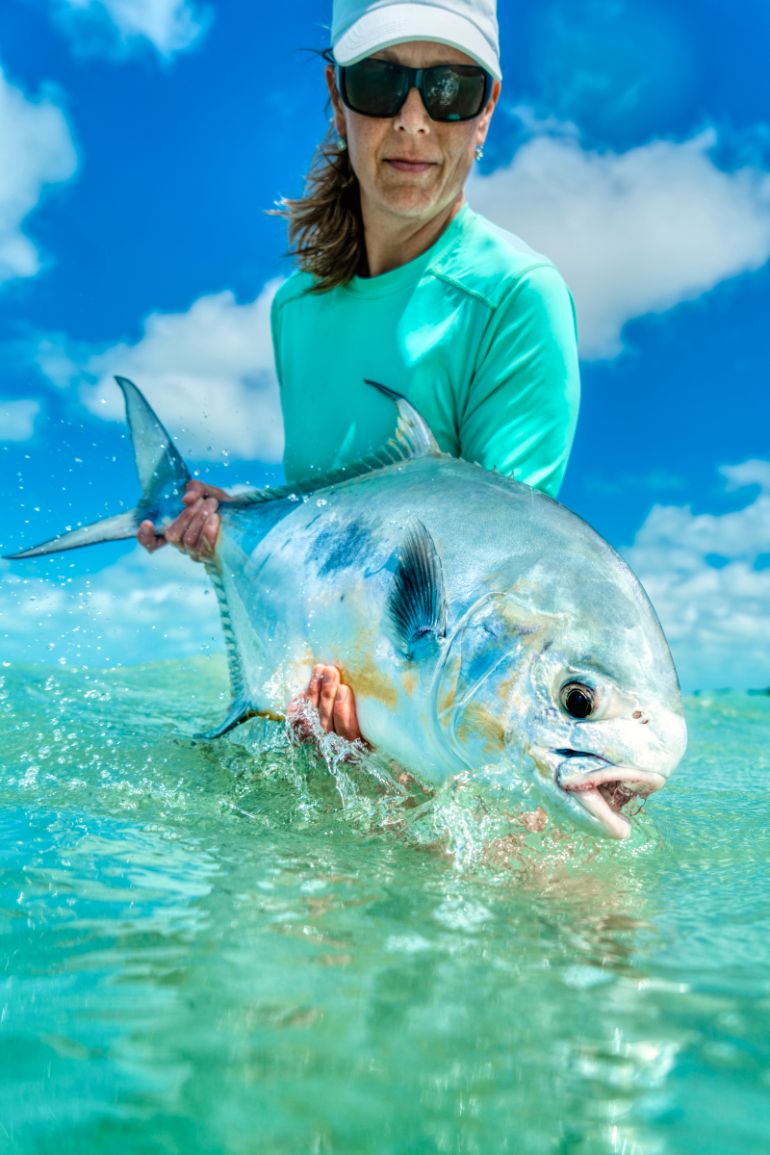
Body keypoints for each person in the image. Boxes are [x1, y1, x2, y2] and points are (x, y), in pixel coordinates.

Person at [138, 0, 581, 744]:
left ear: (486, 109)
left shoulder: (518, 297)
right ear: (337, 100)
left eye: (448, 89)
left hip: (429, 722)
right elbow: (330, 512)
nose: (413, 120)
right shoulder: (297, 307)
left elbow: (499, 587)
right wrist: (229, 520)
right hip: (323, 716)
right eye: (379, 83)